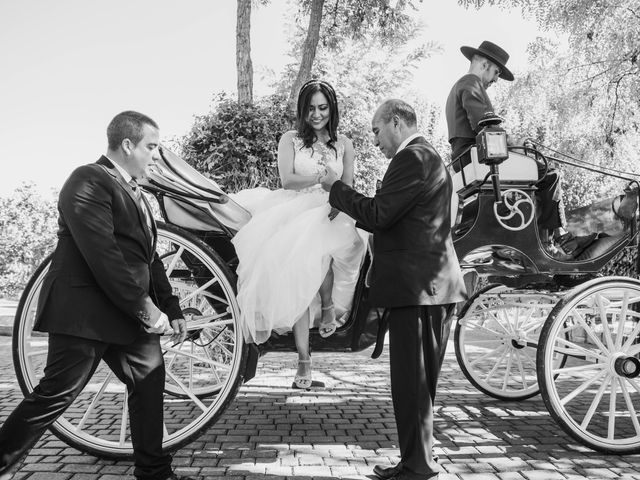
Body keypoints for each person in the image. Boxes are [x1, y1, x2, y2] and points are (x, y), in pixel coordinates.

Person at [0, 111, 192, 480]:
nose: (155, 155)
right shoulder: (86, 180)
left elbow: (148, 258)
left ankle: (155, 473)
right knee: (54, 396)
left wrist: (171, 306)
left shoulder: (136, 193)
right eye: (151, 147)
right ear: (127, 145)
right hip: (85, 315)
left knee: (149, 385)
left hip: (127, 316)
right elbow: (103, 255)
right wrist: (147, 309)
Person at [320, 99, 467, 480]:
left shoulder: (413, 158)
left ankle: (418, 467)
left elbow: (378, 214)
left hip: (419, 290)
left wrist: (336, 189)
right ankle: (416, 462)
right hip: (426, 288)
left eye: (375, 130)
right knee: (416, 387)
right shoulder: (426, 158)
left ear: (396, 122)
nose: (374, 140)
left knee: (412, 385)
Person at [231, 79, 365, 389]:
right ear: (302, 111)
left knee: (339, 246)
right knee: (302, 274)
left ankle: (330, 309)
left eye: (322, 108)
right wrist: (321, 177)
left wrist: (338, 199)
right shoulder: (290, 139)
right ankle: (304, 362)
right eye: (310, 109)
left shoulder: (344, 142)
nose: (316, 115)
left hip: (332, 210)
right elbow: (287, 180)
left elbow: (348, 184)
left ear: (331, 109)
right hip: (296, 210)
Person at [445, 40, 594, 259]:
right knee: (548, 173)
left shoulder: (459, 86)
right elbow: (484, 126)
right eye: (496, 72)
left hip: (468, 160)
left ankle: (540, 235)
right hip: (481, 159)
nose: (496, 79)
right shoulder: (471, 82)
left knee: (537, 168)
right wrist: (516, 141)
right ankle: (549, 242)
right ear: (484, 65)